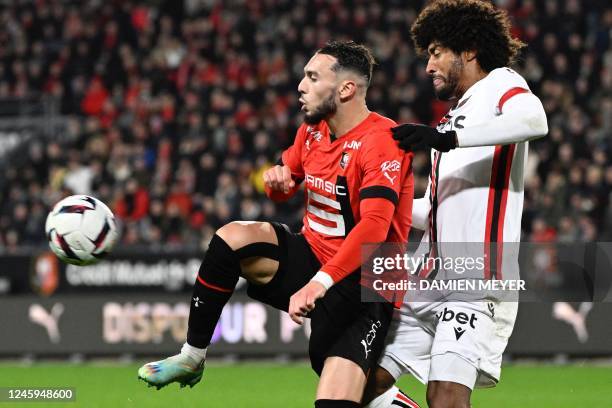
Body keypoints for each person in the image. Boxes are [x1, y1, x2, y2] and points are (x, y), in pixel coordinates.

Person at [138, 40, 415, 408]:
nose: (301, 85)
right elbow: (289, 177)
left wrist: (318, 285)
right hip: (315, 258)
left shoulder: (382, 142)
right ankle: (192, 355)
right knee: (232, 238)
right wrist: (278, 183)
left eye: (313, 77)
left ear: (346, 89)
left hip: (367, 285)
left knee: (348, 399)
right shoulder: (313, 130)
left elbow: (375, 229)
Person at [362, 1, 549, 408]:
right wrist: (373, 203)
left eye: (435, 52)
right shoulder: (451, 119)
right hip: (427, 276)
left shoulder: (501, 83)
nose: (428, 65)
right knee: (361, 380)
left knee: (445, 396)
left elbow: (536, 121)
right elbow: (433, 211)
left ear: (468, 51)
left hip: (476, 275)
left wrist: (447, 141)